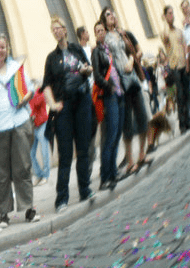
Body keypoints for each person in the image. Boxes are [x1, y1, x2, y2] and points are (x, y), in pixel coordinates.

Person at [0, 34, 37, 226]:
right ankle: (3, 213)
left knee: (23, 168)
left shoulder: (16, 69)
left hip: (19, 123)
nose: (0, 51)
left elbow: (30, 89)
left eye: (3, 47)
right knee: (1, 174)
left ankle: (28, 209)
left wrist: (26, 97)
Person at [41, 16, 93, 211]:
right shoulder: (51, 58)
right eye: (52, 29)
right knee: (65, 154)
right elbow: (46, 85)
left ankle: (85, 189)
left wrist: (86, 70)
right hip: (64, 107)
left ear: (65, 29)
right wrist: (52, 104)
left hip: (82, 102)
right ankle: (61, 198)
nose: (56, 32)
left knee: (83, 148)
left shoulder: (76, 49)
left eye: (58, 28)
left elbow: (89, 67)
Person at [101, 6, 149, 176]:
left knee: (143, 117)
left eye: (112, 12)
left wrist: (130, 60)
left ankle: (142, 154)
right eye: (108, 14)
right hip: (120, 83)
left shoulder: (122, 33)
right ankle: (130, 163)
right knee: (127, 123)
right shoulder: (105, 38)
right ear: (104, 20)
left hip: (133, 79)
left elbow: (133, 51)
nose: (111, 15)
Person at [91, 21, 124, 191]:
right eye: (97, 31)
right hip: (109, 95)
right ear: (95, 34)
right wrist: (109, 86)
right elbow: (97, 76)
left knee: (116, 134)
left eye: (102, 30)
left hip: (118, 93)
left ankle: (113, 172)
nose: (101, 33)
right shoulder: (96, 52)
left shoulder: (108, 50)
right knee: (109, 138)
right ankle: (105, 177)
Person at [161, 4, 190, 133]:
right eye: (169, 13)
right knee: (179, 95)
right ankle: (182, 124)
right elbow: (165, 38)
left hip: (183, 65)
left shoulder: (179, 31)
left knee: (187, 94)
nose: (172, 15)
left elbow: (185, 45)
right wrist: (164, 22)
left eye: (172, 13)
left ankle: (188, 121)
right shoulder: (165, 32)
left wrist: (187, 61)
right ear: (165, 16)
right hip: (174, 67)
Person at [29, 80, 50, 185]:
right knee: (30, 153)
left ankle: (46, 176)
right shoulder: (28, 96)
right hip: (33, 127)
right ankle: (39, 175)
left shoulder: (39, 93)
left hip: (42, 125)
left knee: (44, 151)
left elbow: (36, 104)